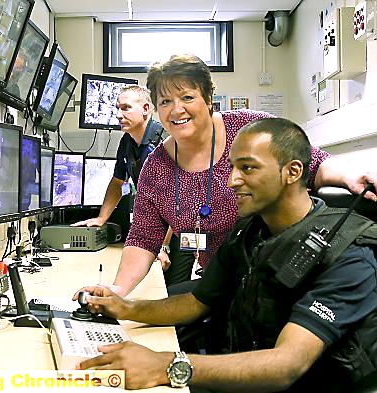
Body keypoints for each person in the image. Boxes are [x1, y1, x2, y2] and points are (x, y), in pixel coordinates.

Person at [76, 118, 377, 392]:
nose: (232, 180)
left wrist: (165, 365)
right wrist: (122, 307)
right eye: (232, 167)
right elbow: (197, 302)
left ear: (293, 172)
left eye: (247, 168)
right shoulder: (250, 230)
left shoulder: (348, 255)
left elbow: (287, 364)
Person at [108, 53, 377, 295]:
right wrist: (117, 291)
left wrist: (349, 176)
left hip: (280, 277)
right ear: (156, 108)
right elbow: (144, 237)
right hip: (220, 282)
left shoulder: (247, 128)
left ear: (209, 99)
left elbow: (313, 164)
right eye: (165, 101)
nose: (176, 109)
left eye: (187, 97)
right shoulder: (156, 168)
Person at [71, 85, 165, 227]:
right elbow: (117, 182)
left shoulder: (166, 142)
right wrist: (101, 218)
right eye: (118, 108)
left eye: (126, 107)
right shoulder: (127, 141)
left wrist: (163, 245)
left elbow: (178, 199)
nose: (118, 115)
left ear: (145, 109)